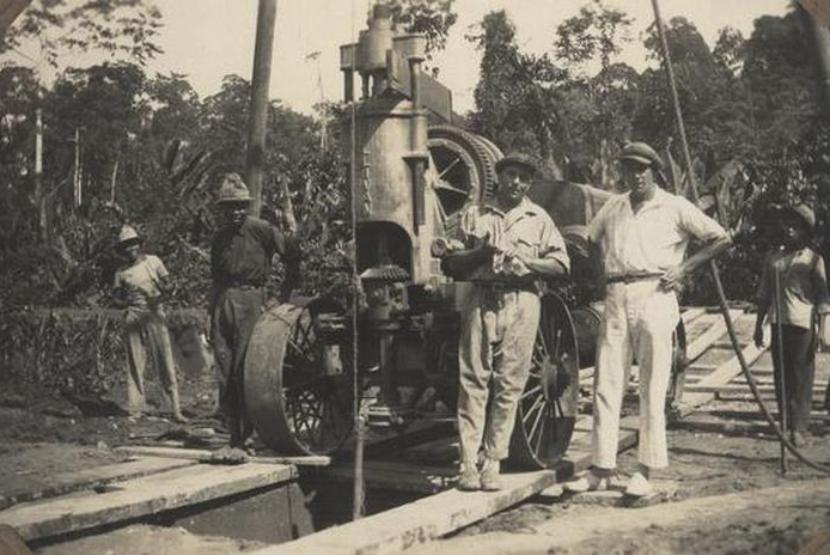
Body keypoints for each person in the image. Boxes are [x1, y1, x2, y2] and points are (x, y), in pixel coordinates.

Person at [565, 142, 731, 497]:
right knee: (605, 384)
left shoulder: (673, 206)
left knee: (652, 386)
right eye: (628, 168)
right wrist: (598, 275)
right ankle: (602, 467)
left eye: (642, 168)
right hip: (615, 295)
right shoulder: (614, 205)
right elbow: (589, 240)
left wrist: (684, 269)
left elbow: (720, 237)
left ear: (654, 170)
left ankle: (645, 470)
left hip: (655, 294)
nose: (635, 175)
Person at [442, 153, 570, 491]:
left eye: (524, 178)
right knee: (472, 380)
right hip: (480, 298)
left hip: (523, 300)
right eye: (511, 174)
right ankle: (468, 462)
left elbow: (561, 265)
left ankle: (493, 461)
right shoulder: (474, 214)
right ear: (499, 176)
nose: (516, 182)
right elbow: (451, 265)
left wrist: (529, 262)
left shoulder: (538, 218)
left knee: (510, 383)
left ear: (530, 183)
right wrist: (482, 253)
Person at [210, 173, 300, 451]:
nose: (236, 212)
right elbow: (215, 279)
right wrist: (209, 314)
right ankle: (234, 434)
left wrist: (281, 294)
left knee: (244, 369)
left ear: (247, 207)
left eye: (240, 206)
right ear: (222, 210)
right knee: (224, 370)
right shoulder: (219, 239)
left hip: (252, 299)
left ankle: (248, 435)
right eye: (230, 207)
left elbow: (293, 254)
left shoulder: (260, 229)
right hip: (224, 301)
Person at [754, 203, 828, 447]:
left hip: (802, 322)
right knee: (781, 374)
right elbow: (764, 293)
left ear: (804, 231)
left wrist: (822, 330)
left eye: (795, 226)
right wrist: (758, 325)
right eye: (787, 224)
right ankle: (784, 424)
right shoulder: (773, 257)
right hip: (778, 321)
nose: (789, 230)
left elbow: (822, 297)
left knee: (801, 376)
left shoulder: (813, 259)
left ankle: (800, 428)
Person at [113, 224, 186, 423]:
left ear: (139, 244)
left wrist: (162, 288)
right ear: (122, 250)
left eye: (133, 244)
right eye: (126, 246)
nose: (130, 249)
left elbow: (169, 284)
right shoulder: (121, 272)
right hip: (134, 316)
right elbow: (116, 298)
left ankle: (175, 409)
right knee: (135, 362)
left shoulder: (154, 262)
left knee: (165, 361)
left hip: (155, 313)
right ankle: (136, 409)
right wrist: (127, 302)